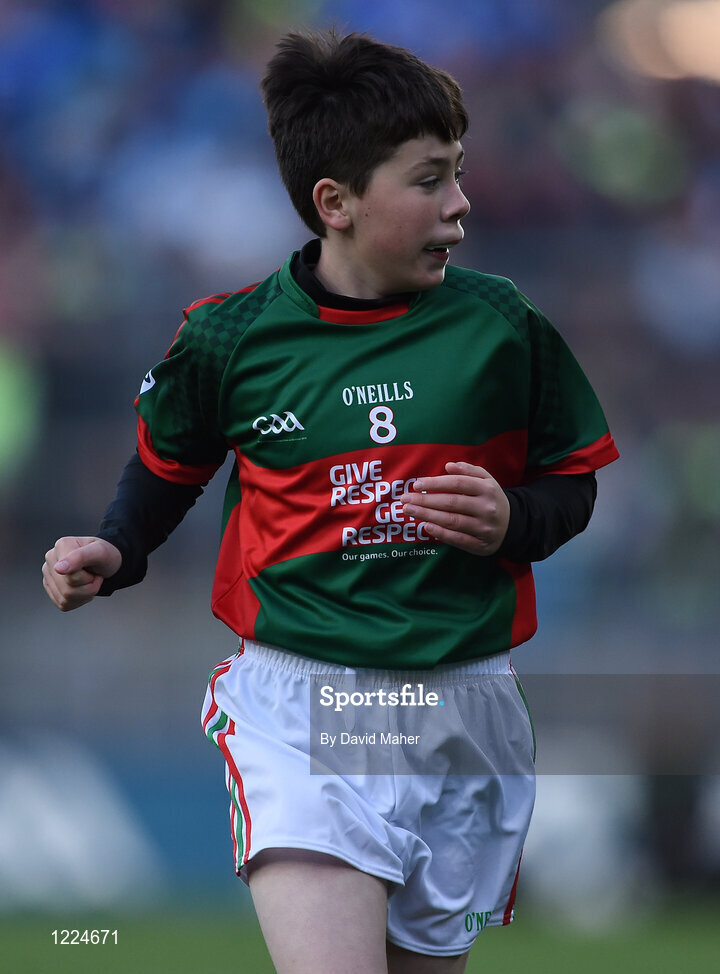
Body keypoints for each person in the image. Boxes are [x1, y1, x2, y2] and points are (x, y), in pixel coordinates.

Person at [42, 29, 619, 974]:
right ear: (336, 203)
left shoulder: (503, 325)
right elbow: (170, 466)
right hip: (306, 705)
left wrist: (516, 518)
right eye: (429, 180)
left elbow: (573, 483)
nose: (462, 205)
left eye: (459, 175)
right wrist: (117, 547)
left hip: (464, 707)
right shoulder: (231, 338)